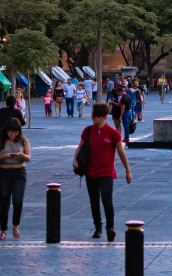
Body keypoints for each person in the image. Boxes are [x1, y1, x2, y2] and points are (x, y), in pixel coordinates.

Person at [74, 103, 133, 241]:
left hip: (106, 172)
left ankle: (110, 228)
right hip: (90, 171)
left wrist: (128, 171)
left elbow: (121, 152)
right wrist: (75, 159)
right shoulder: (88, 131)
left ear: (104, 116)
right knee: (94, 201)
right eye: (93, 115)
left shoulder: (113, 133)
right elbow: (80, 147)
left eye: (97, 116)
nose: (93, 118)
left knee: (107, 201)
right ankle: (98, 227)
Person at [0, 117, 31, 240]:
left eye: (15, 132)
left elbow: (28, 158)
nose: (12, 134)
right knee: (4, 202)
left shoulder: (23, 141)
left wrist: (20, 155)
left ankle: (15, 227)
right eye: (10, 131)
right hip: (4, 172)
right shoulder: (0, 141)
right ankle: (3, 230)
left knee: (18, 201)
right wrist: (5, 156)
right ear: (6, 130)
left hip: (19, 172)